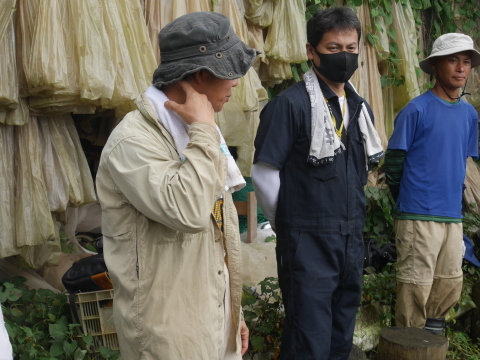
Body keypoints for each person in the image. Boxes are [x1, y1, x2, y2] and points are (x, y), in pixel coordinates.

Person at [96, 12, 259, 360]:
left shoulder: (194, 128)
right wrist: (203, 131)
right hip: (169, 336)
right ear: (201, 75)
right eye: (230, 73)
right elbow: (188, 212)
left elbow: (217, 234)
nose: (236, 84)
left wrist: (233, 312)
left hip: (211, 320)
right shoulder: (134, 141)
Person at [252, 7, 383, 360]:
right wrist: (289, 224)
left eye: (351, 48)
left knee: (340, 335)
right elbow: (264, 175)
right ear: (311, 51)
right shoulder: (289, 106)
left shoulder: (358, 108)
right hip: (306, 242)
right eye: (333, 48)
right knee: (308, 339)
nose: (345, 56)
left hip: (350, 239)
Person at [385, 33, 480, 334]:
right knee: (415, 287)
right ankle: (408, 347)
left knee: (449, 283)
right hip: (417, 216)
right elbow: (394, 162)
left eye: (466, 62)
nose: (461, 68)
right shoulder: (416, 109)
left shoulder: (469, 114)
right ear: (436, 66)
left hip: (452, 217)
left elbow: (461, 162)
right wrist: (407, 199)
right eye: (453, 60)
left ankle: (432, 346)